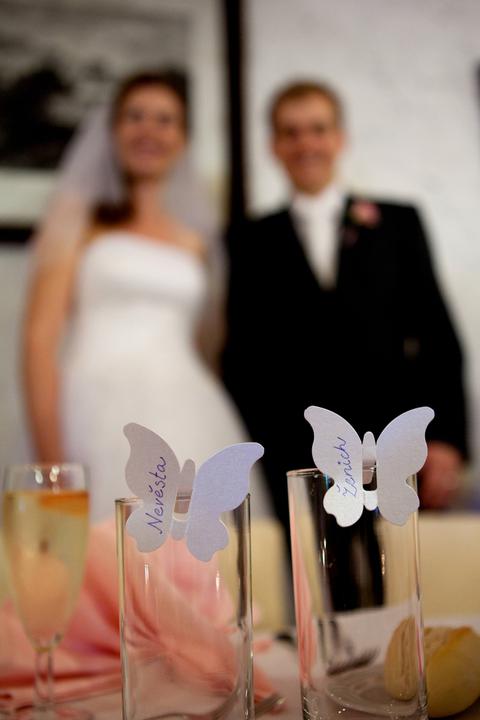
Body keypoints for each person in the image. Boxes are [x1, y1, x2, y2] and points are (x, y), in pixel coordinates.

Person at [223, 80, 468, 535]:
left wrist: (446, 438)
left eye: (318, 129)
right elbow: (242, 355)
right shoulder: (248, 239)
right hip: (294, 454)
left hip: (391, 444)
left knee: (396, 572)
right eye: (291, 132)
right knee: (312, 575)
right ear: (274, 145)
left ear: (340, 138)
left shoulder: (398, 223)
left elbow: (437, 335)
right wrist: (261, 447)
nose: (306, 144)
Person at [23, 69, 268, 521]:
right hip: (96, 409)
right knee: (107, 541)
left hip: (190, 411)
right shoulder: (76, 220)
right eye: (135, 116)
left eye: (164, 119)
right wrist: (52, 464)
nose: (149, 131)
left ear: (183, 138)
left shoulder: (195, 240)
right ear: (113, 130)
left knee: (204, 540)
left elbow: (206, 341)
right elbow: (39, 341)